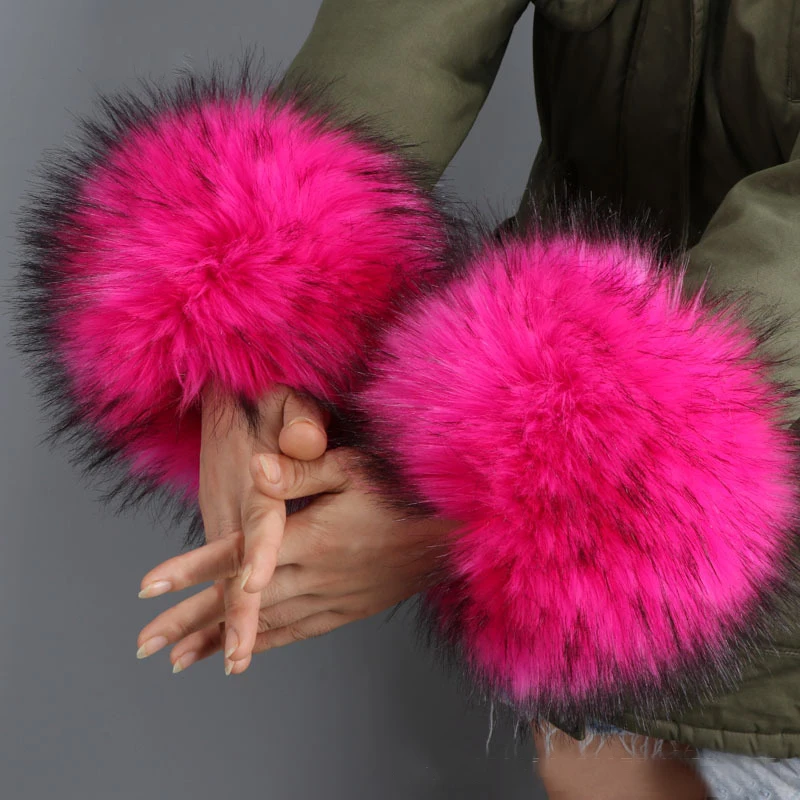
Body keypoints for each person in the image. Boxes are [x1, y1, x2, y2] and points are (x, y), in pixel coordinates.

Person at [100, 0, 800, 796]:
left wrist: (494, 497)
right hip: (588, 601)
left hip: (757, 594)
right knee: (595, 768)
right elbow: (404, 38)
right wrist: (255, 331)